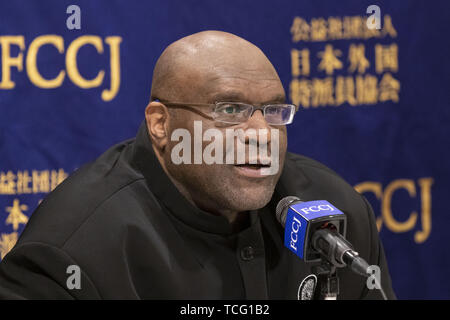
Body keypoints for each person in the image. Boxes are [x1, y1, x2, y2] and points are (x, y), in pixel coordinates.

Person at [0, 31, 395, 299]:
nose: (262, 133)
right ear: (161, 123)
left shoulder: (337, 211)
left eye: (273, 111)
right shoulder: (69, 253)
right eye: (229, 109)